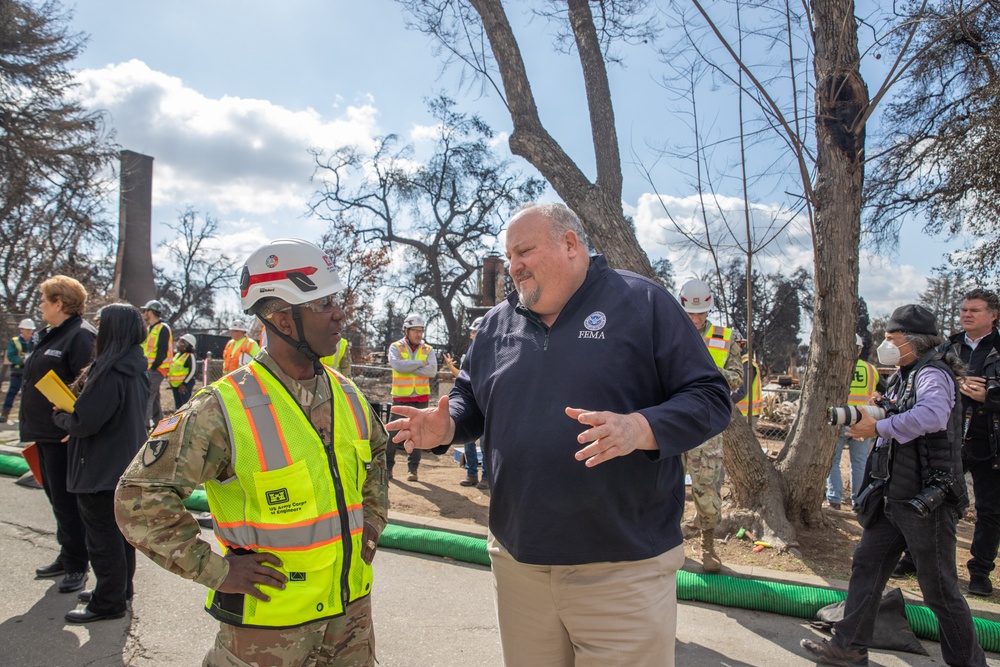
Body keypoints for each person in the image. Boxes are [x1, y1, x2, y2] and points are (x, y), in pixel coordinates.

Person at [388, 203, 732, 666]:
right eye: (508, 256)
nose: (513, 267)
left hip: (622, 567)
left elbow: (710, 397)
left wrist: (640, 428)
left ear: (571, 244)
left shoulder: (643, 302)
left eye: (524, 251)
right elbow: (472, 398)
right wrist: (447, 425)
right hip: (519, 563)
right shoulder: (494, 325)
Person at [115, 238, 388, 667]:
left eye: (335, 300)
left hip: (351, 626)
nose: (339, 313)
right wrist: (218, 571)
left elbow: (376, 459)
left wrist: (372, 524)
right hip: (268, 634)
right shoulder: (221, 408)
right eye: (322, 304)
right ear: (282, 319)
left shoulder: (348, 393)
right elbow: (139, 499)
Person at [800, 304, 987, 667]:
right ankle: (848, 647)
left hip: (925, 500)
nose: (885, 343)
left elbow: (931, 415)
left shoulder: (933, 373)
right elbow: (905, 412)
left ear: (912, 341)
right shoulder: (908, 372)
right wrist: (879, 411)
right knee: (867, 565)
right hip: (895, 495)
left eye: (891, 338)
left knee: (940, 591)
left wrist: (878, 427)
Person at [51, 303, 148, 623]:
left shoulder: (109, 371)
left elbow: (85, 421)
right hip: (125, 466)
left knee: (102, 539)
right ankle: (119, 589)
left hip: (100, 468)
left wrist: (61, 416)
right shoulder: (135, 368)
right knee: (121, 536)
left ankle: (108, 601)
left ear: (111, 330)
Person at [19, 276, 96, 595]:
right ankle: (68, 555)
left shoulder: (80, 336)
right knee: (57, 500)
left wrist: (75, 424)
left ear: (59, 303)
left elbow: (89, 386)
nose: (41, 306)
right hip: (44, 433)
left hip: (64, 435)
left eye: (44, 301)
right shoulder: (51, 335)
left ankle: (78, 564)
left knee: (68, 502)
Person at [677, 278, 743, 573]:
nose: (695, 319)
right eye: (690, 313)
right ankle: (672, 547)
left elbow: (737, 378)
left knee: (706, 492)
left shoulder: (724, 337)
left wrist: (707, 371)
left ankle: (708, 548)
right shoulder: (668, 332)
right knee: (668, 492)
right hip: (672, 424)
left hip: (706, 429)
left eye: (700, 313)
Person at [951, 288, 1000, 596]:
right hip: (951, 439)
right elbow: (929, 378)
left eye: (974, 310)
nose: (966, 314)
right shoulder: (950, 346)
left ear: (993, 315)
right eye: (964, 310)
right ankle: (916, 558)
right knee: (935, 503)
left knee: (990, 511)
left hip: (991, 445)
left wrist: (990, 397)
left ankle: (980, 572)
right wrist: (957, 383)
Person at [826, 334, 881, 510]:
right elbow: (882, 390)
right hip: (862, 421)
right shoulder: (871, 370)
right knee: (859, 462)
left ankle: (834, 499)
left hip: (839, 418)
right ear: (859, 349)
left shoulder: (834, 368)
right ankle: (858, 500)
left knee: (832, 461)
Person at [387, 313, 437, 482]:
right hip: (401, 398)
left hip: (421, 399)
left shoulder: (428, 349)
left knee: (417, 436)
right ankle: (388, 468)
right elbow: (397, 366)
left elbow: (432, 371)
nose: (418, 334)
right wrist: (419, 364)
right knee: (392, 435)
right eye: (415, 330)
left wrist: (408, 367)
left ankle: (413, 470)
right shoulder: (396, 347)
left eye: (421, 331)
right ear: (406, 331)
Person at [443, 316, 489, 490]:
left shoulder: (491, 354)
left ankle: (486, 477)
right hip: (470, 404)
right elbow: (463, 377)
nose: (474, 334)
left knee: (485, 444)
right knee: (469, 443)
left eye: (476, 331)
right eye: (473, 331)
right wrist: (450, 367)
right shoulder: (468, 355)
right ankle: (471, 474)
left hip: (484, 406)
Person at [140, 299, 173, 428]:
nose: (143, 313)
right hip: (150, 367)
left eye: (145, 311)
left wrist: (153, 366)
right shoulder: (149, 329)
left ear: (150, 312)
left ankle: (144, 426)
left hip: (158, 368)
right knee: (155, 396)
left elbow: (162, 351)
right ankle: (160, 423)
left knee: (147, 395)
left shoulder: (163, 328)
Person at [1, 318, 36, 423]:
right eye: (26, 330)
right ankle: (5, 413)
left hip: (30, 372)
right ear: (21, 329)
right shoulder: (15, 341)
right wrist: (21, 361)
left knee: (29, 395)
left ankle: (27, 416)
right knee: (12, 392)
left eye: (30, 330)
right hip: (18, 372)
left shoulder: (35, 341)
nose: (29, 332)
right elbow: (11, 356)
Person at [167, 333, 198, 410]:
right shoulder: (177, 355)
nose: (178, 345)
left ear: (187, 345)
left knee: (184, 406)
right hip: (175, 385)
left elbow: (192, 371)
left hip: (184, 385)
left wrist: (184, 383)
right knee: (178, 406)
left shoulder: (190, 355)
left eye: (181, 343)